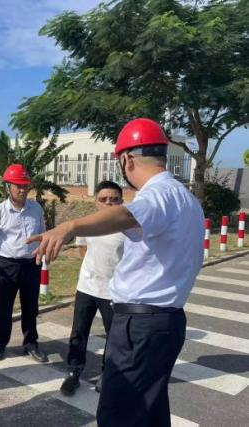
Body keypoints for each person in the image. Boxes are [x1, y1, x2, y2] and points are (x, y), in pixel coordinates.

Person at [27, 118, 204, 427]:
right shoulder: (186, 198)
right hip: (166, 321)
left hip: (141, 325)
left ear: (127, 159)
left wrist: (70, 226)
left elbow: (127, 215)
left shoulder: (157, 195)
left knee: (117, 415)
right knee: (149, 411)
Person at [60, 180, 125, 396]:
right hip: (87, 287)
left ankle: (108, 374)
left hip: (114, 291)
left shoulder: (127, 228)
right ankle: (73, 372)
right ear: (95, 201)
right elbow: (82, 249)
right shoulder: (88, 224)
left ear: (121, 201)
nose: (108, 203)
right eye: (103, 199)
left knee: (113, 336)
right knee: (78, 332)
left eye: (114, 199)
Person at [0, 164, 48, 363]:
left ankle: (31, 343)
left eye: (25, 185)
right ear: (8, 187)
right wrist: (5, 254)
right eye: (18, 186)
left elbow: (42, 234)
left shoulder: (36, 209)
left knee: (31, 306)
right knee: (4, 307)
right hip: (8, 266)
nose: (22, 190)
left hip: (31, 265)